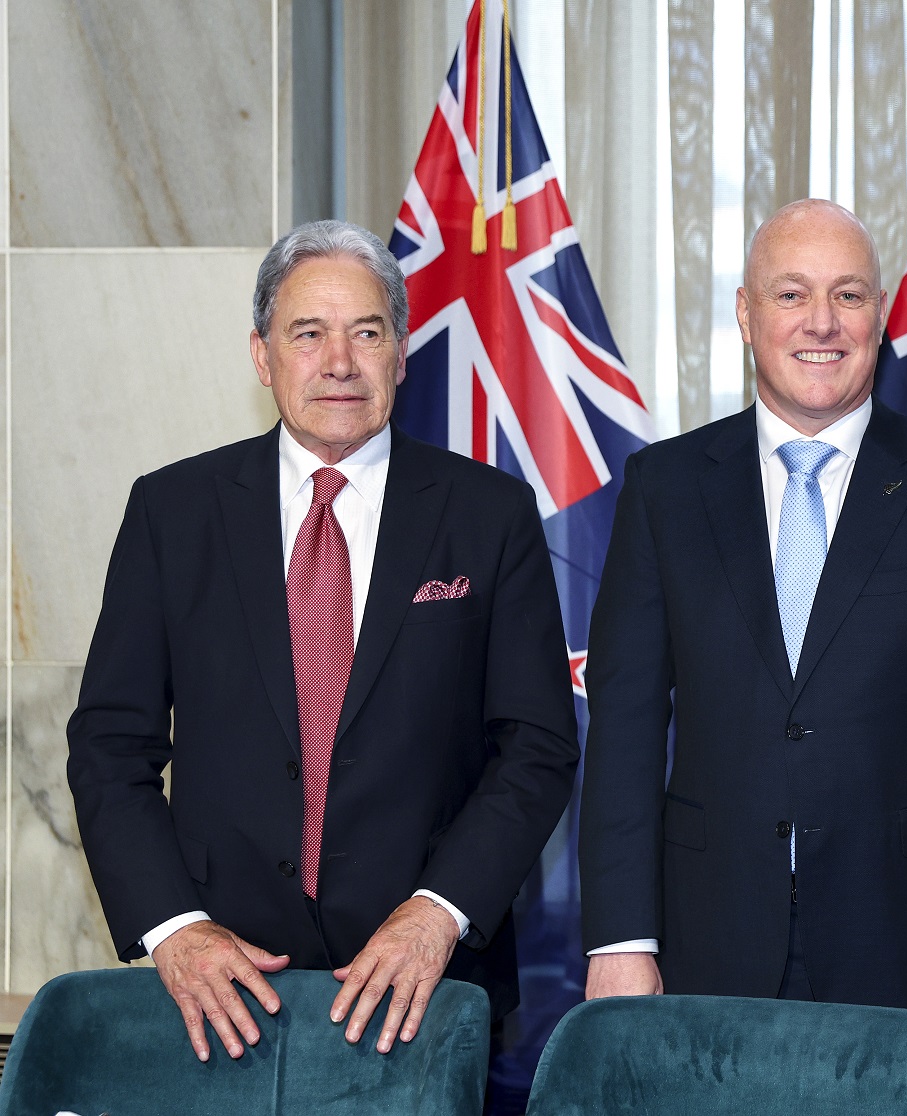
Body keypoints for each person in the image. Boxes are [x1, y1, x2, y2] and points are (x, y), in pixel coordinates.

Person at [67, 220, 580, 1063]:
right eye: (308, 334)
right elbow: (108, 748)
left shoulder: (489, 514)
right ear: (263, 357)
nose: (339, 361)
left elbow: (537, 747)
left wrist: (438, 913)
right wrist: (176, 930)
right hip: (215, 993)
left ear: (402, 352)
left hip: (423, 988)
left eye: (366, 332)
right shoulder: (173, 513)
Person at [578, 199, 907, 1036]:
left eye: (849, 296)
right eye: (792, 294)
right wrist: (621, 937)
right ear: (745, 313)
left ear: (882, 313)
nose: (821, 324)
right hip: (705, 943)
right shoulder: (664, 489)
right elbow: (622, 733)